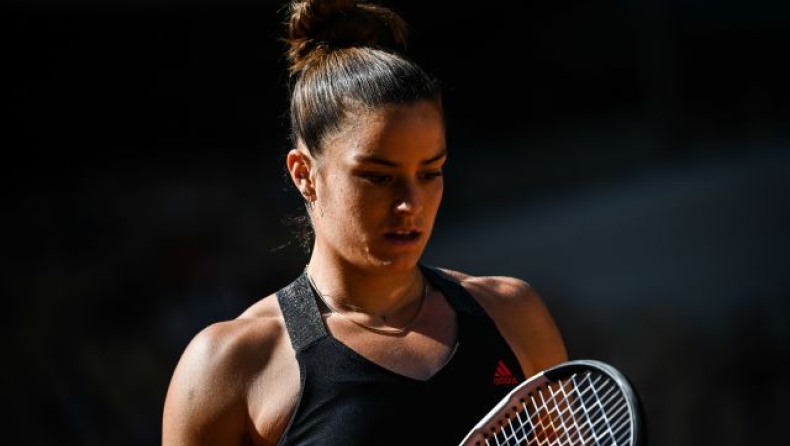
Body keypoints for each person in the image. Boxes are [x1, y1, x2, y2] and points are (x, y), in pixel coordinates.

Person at [161, 1, 568, 445]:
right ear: (304, 174)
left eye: (430, 172)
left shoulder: (514, 315)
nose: (410, 203)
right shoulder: (228, 366)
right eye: (378, 177)